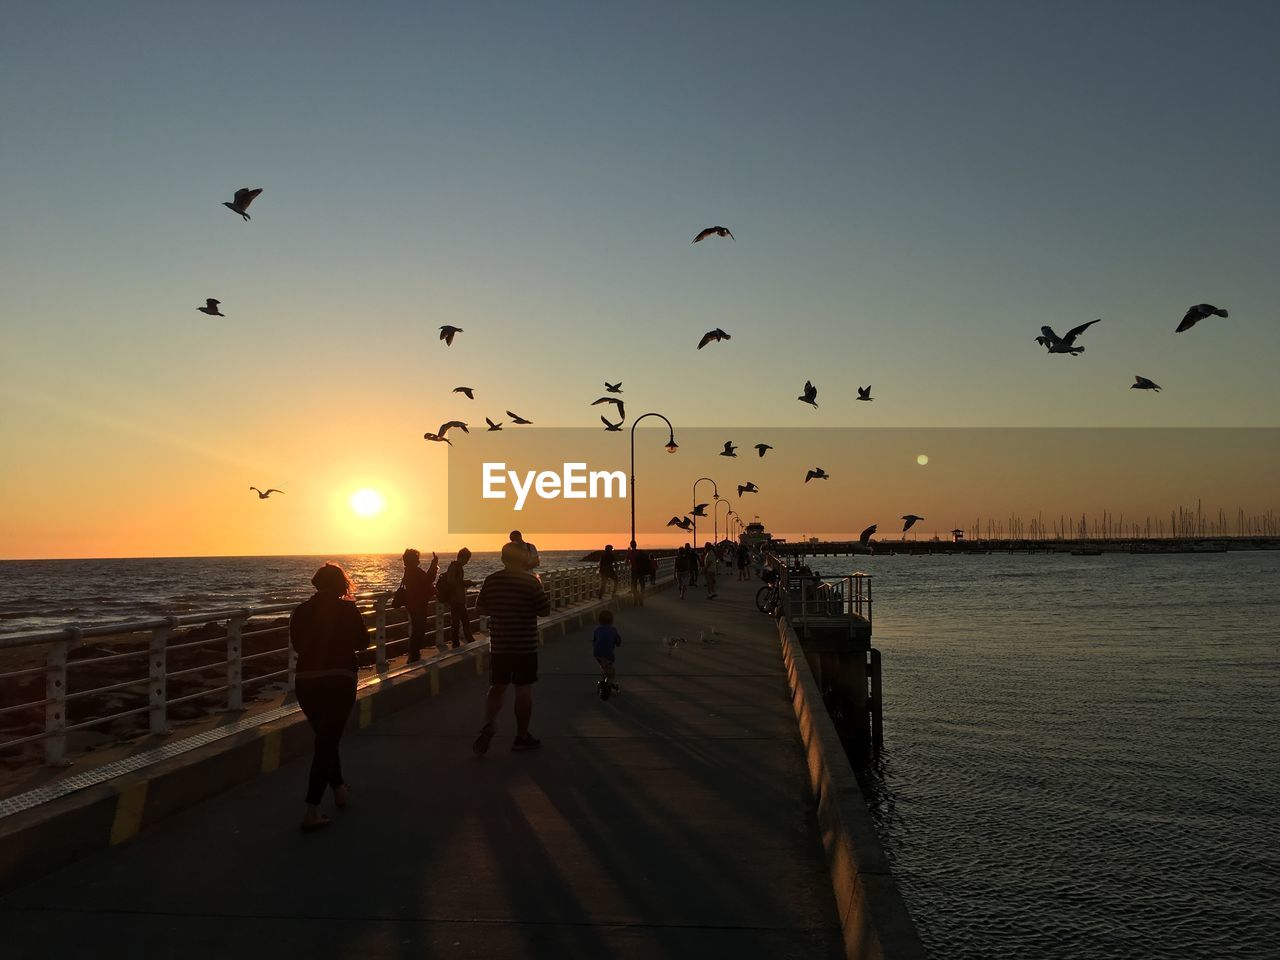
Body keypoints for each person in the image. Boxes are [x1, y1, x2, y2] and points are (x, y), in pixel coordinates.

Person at [289, 563, 369, 832]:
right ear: (341, 585)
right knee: (327, 741)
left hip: (306, 681)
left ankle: (338, 788)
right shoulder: (347, 609)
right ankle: (311, 808)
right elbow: (362, 642)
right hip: (339, 678)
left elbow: (297, 645)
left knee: (326, 738)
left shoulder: (300, 611)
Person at [473, 542, 552, 754]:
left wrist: (500, 609)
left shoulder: (492, 580)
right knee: (523, 690)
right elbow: (544, 611)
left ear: (502, 558)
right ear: (524, 559)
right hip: (524, 646)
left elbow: (480, 607)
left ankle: (488, 723)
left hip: (500, 645)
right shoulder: (531, 582)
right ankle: (522, 736)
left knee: (498, 686)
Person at [400, 548, 439, 662]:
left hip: (412, 603)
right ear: (413, 559)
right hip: (418, 603)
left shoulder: (408, 571)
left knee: (417, 628)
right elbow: (428, 579)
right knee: (419, 629)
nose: (418, 559)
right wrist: (434, 564)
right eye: (416, 558)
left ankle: (414, 654)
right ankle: (414, 654)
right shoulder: (415, 571)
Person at [438, 548, 476, 648]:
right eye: (466, 559)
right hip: (455, 599)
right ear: (461, 557)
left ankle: (465, 641)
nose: (467, 562)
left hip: (458, 599)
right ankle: (459, 642)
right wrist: (465, 583)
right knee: (458, 622)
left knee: (462, 621)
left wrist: (464, 583)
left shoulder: (457, 567)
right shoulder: (454, 567)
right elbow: (451, 581)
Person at [592, 608, 622, 695]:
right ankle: (607, 685)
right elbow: (618, 641)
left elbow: (594, 640)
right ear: (611, 620)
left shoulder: (597, 629)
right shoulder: (613, 629)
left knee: (604, 666)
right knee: (611, 672)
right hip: (608, 655)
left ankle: (604, 681)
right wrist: (617, 642)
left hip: (597, 654)